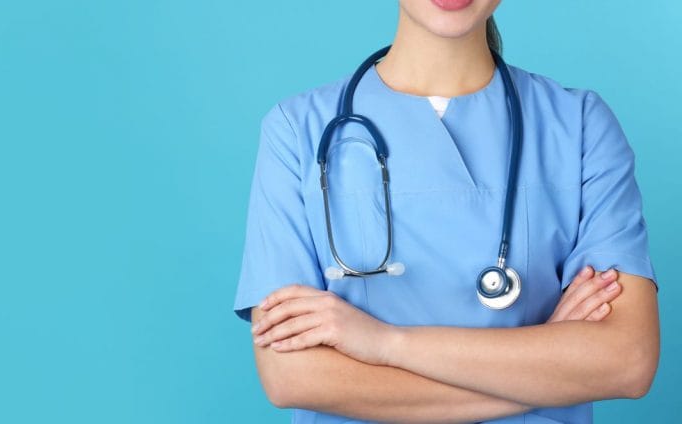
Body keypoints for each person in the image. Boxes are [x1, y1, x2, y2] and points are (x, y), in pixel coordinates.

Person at [233, 1, 660, 422]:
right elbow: (292, 377)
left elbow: (626, 360)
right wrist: (551, 374)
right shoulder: (297, 131)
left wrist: (385, 343)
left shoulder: (580, 125)